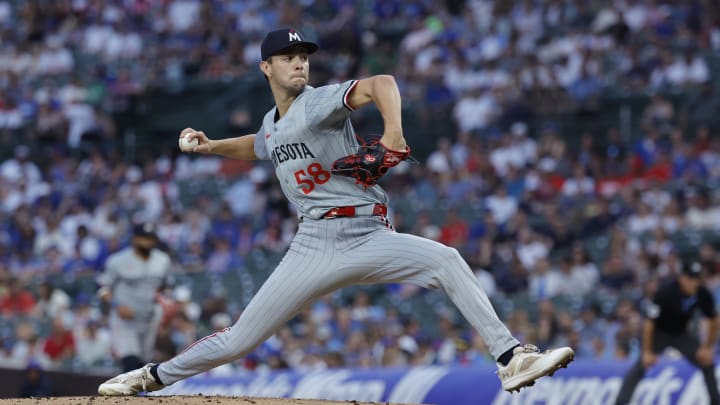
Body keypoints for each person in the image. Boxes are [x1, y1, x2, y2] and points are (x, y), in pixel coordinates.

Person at [98, 28, 574, 396]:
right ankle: (150, 377)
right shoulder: (273, 122)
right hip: (313, 243)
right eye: (288, 58)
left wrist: (392, 133)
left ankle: (510, 357)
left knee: (445, 259)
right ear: (267, 67)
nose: (299, 63)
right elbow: (260, 145)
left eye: (303, 56)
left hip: (367, 234)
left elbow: (382, 83)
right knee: (241, 338)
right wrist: (212, 147)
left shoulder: (317, 101)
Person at [615, 261, 719, 404]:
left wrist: (707, 347)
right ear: (682, 278)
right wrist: (647, 351)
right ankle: (620, 402)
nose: (694, 283)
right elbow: (649, 322)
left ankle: (715, 401)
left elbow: (714, 319)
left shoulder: (702, 293)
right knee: (640, 366)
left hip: (681, 334)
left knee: (707, 362)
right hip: (659, 333)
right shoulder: (666, 292)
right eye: (691, 279)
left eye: (697, 279)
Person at [97, 223, 171, 372]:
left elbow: (166, 287)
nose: (148, 242)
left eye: (151, 238)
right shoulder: (117, 261)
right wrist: (117, 305)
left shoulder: (163, 260)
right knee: (130, 358)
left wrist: (165, 303)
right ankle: (129, 395)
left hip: (149, 316)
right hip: (125, 318)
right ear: (134, 239)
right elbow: (102, 289)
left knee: (144, 362)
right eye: (144, 238)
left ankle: (139, 394)